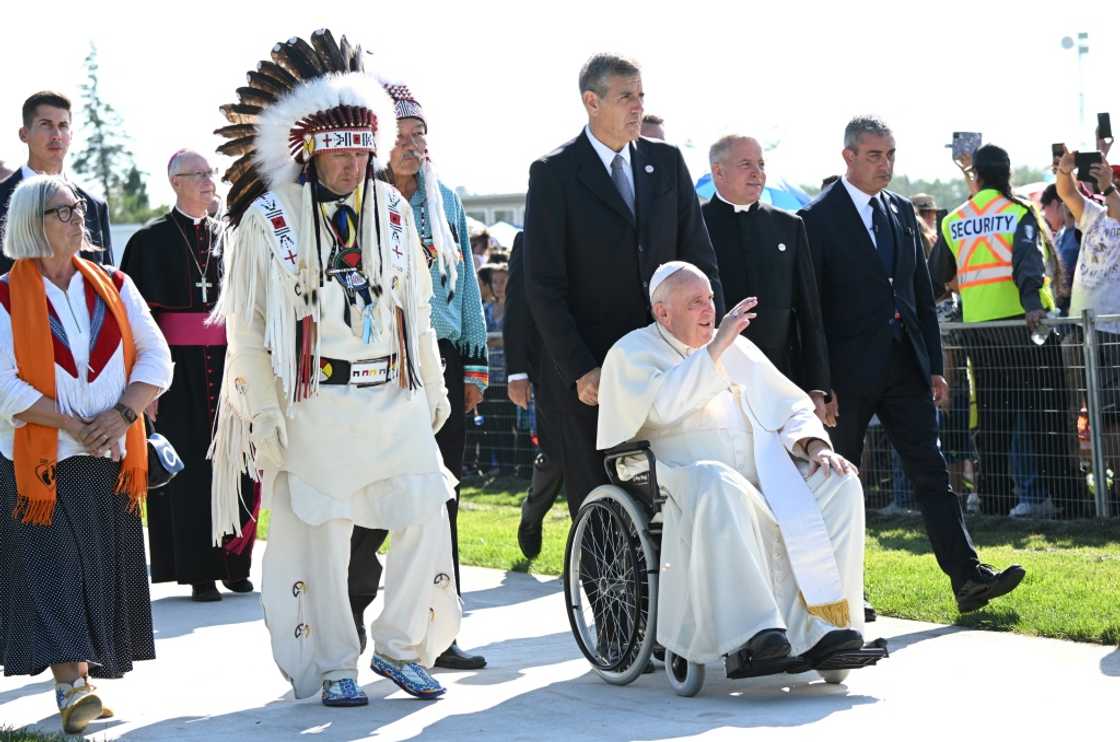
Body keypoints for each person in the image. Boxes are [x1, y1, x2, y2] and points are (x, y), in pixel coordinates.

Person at [208, 31, 460, 706]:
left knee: (426, 511)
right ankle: (333, 663)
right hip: (315, 397)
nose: (352, 164)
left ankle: (402, 646)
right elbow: (251, 332)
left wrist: (431, 386)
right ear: (309, 151)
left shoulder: (394, 211)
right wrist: (263, 412)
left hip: (392, 393)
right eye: (338, 150)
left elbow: (417, 307)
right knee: (323, 535)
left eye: (361, 150)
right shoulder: (270, 221)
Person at [799, 116, 1024, 612]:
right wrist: (819, 383)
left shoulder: (901, 210)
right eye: (875, 155)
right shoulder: (815, 220)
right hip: (846, 375)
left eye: (891, 155)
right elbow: (809, 310)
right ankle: (843, 592)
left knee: (932, 473)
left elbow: (921, 294)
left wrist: (934, 366)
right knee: (841, 483)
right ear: (849, 157)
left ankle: (967, 578)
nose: (886, 165)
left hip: (905, 367)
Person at [597, 262, 867, 670]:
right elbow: (663, 405)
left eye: (709, 299)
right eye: (695, 303)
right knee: (719, 481)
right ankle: (755, 632)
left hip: (764, 475)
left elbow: (791, 403)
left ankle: (827, 628)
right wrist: (715, 350)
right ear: (662, 312)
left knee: (840, 483)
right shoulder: (632, 351)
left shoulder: (736, 347)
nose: (709, 310)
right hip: (683, 479)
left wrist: (814, 446)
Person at [0, 175, 172, 734]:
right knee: (53, 572)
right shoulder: (5, 294)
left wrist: (119, 416)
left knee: (97, 571)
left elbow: (155, 359)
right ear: (32, 223)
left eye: (78, 209)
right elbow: (5, 387)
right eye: (63, 212)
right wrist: (76, 424)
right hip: (39, 462)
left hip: (110, 455)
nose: (78, 220)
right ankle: (72, 686)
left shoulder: (116, 285)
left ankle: (87, 680)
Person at [524, 52, 723, 519]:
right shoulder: (554, 173)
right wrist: (580, 367)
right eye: (625, 97)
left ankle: (666, 592)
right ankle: (606, 593)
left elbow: (699, 257)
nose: (637, 107)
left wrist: (709, 338)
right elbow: (543, 285)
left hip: (668, 361)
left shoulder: (666, 162)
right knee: (600, 502)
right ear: (591, 102)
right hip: (594, 372)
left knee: (668, 499)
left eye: (641, 96)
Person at [346, 79, 489, 671]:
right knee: (373, 495)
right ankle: (351, 605)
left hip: (442, 361)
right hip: (378, 363)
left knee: (442, 495)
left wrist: (476, 361)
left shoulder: (444, 200)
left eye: (420, 137)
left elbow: (467, 285)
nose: (412, 146)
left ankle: (438, 629)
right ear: (378, 143)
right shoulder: (356, 199)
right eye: (401, 136)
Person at [120, 149, 256, 602]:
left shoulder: (231, 238)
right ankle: (197, 569)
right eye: (197, 174)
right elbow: (133, 322)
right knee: (191, 471)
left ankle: (233, 562)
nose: (208, 181)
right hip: (176, 379)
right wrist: (145, 385)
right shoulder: (148, 241)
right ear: (175, 181)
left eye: (210, 173)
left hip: (230, 371)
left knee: (235, 466)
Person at [929, 144, 1071, 519]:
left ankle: (993, 501)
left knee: (992, 420)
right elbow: (1026, 259)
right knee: (1047, 413)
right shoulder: (1018, 211)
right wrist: (1032, 305)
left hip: (978, 331)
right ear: (1007, 174)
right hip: (1024, 327)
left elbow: (935, 276)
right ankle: (1068, 499)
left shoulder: (953, 220)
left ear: (975, 175)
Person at [702, 134, 829, 402]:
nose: (757, 173)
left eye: (760, 164)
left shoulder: (789, 226)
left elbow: (810, 311)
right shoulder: (694, 225)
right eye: (746, 164)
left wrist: (817, 386)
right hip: (715, 379)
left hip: (781, 376)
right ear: (718, 171)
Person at [0, 92, 112, 273]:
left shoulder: (94, 206)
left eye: (63, 126)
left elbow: (106, 283)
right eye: (46, 125)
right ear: (23, 134)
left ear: (71, 134)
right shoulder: (2, 197)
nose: (57, 135)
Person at [505, 232, 565, 558]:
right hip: (551, 369)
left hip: (606, 362)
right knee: (555, 456)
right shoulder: (529, 239)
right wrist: (517, 372)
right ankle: (532, 514)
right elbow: (516, 306)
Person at [1040, 184, 1080, 315]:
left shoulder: (1079, 234)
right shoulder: (1060, 235)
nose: (1044, 214)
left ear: (1054, 204)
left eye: (1045, 208)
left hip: (1074, 310)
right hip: (1061, 311)